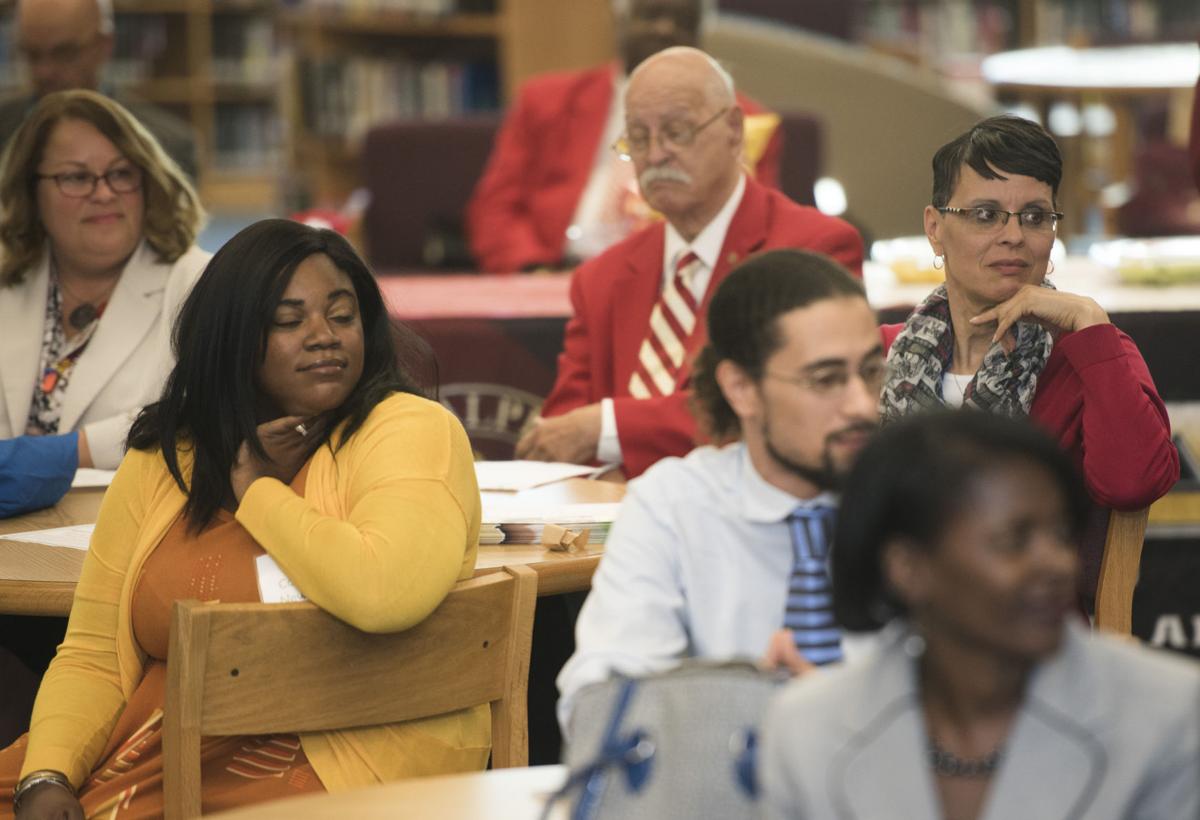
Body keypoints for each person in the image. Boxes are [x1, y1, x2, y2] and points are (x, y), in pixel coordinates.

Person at [0, 218, 486, 818]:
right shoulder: (167, 454)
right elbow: (95, 652)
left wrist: (257, 490)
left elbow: (383, 593)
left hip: (342, 761)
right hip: (158, 743)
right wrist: (47, 774)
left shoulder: (408, 429)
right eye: (288, 321)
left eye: (341, 315)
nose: (323, 336)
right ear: (231, 339)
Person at [759, 411, 1200, 820]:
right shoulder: (807, 731)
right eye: (1015, 540)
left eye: (1062, 534)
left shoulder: (1165, 715)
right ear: (909, 569)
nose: (1058, 564)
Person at [556, 249, 882, 729]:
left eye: (872, 372)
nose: (862, 406)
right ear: (741, 389)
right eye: (826, 379)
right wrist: (739, 704)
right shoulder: (673, 506)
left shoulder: (919, 504)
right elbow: (598, 702)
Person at [515, 47, 863, 479]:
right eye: (638, 138)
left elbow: (784, 407)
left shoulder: (810, 249)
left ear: (734, 130)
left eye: (677, 132)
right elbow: (561, 434)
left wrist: (609, 429)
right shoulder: (600, 278)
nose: (656, 155)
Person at [879, 114, 1178, 600]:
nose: (1014, 235)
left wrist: (1088, 319)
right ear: (935, 228)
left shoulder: (1091, 355)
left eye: (1035, 216)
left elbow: (1134, 484)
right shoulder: (882, 353)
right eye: (985, 214)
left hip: (1033, 642)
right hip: (890, 634)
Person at [0, 89, 207, 518]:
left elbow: (200, 415)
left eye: (121, 173)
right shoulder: (9, 280)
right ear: (30, 192)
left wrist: (73, 451)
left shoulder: (198, 281)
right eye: (76, 178)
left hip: (129, 532)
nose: (104, 193)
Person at [465, 0, 783, 273]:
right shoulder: (547, 103)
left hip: (680, 282)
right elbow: (495, 211)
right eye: (651, 14)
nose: (664, 29)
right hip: (556, 275)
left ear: (702, 32)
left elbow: (752, 229)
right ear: (620, 20)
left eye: (682, 20)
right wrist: (533, 271)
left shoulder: (741, 122)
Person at [0, 0, 197, 180]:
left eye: (64, 52)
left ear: (104, 45)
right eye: (32, 54)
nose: (45, 71)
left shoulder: (166, 146)